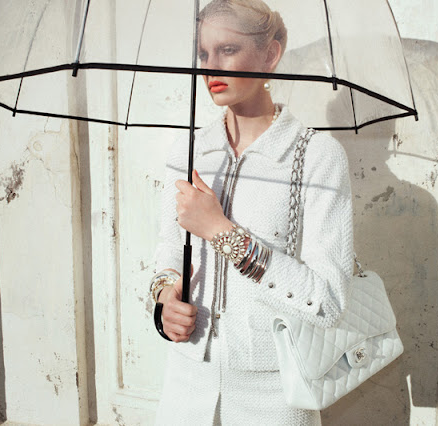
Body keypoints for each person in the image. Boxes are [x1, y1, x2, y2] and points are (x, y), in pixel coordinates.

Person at [149, 1, 353, 424]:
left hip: (277, 391)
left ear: (270, 54)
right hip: (187, 383)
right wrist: (164, 301)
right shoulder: (189, 151)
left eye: (227, 50)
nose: (210, 67)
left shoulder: (317, 157)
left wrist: (222, 233)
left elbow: (328, 302)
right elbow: (167, 252)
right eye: (203, 53)